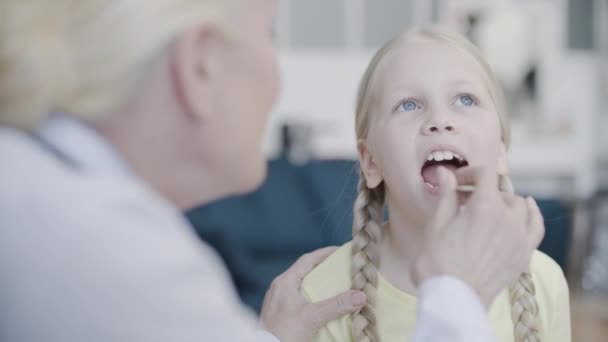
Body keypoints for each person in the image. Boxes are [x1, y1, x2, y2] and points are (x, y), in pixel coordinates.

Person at [0, 0, 544, 341]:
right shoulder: (99, 255)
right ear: (200, 64)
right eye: (270, 35)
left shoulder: (60, 210)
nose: (278, 79)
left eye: (466, 101)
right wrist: (460, 297)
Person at [301, 27, 571, 342]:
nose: (440, 119)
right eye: (408, 104)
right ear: (371, 161)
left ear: (500, 150)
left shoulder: (545, 281)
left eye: (465, 99)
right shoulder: (322, 295)